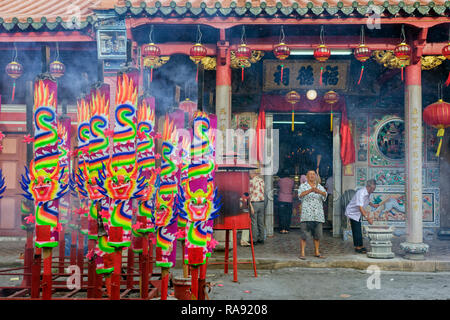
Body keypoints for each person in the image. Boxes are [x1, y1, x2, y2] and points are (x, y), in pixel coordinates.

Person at [298, 169, 328, 259]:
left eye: (313, 174)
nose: (312, 176)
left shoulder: (320, 186)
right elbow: (300, 195)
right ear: (307, 177)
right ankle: (302, 253)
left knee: (317, 235)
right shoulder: (303, 186)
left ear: (315, 176)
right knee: (304, 235)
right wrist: (310, 190)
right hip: (306, 215)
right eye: (310, 174)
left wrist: (319, 191)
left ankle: (317, 251)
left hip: (317, 215)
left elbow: (325, 194)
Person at [344, 179, 379, 253]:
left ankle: (360, 245)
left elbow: (367, 201)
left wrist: (373, 205)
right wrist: (368, 218)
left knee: (358, 229)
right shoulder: (361, 193)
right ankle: (358, 247)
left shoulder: (368, 193)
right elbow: (360, 207)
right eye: (372, 189)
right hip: (352, 212)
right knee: (356, 229)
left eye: (374, 189)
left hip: (358, 212)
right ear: (368, 187)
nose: (373, 190)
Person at [249, 169, 265, 245]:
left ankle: (254, 239)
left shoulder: (251, 182)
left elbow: (249, 194)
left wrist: (250, 205)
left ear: (252, 174)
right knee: (261, 221)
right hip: (262, 203)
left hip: (254, 203)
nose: (249, 175)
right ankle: (261, 238)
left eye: (249, 174)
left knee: (254, 222)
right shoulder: (261, 180)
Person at [277, 169, 294, 234]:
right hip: (289, 199)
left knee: (281, 215)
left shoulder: (280, 180)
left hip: (281, 199)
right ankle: (287, 229)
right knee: (288, 215)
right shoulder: (292, 181)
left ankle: (282, 229)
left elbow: (278, 186)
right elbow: (292, 188)